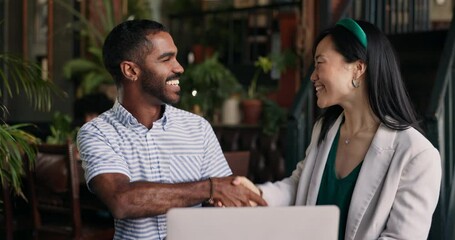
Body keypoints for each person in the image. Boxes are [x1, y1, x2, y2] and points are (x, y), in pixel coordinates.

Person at [235, 18, 441, 240]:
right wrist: (256, 194)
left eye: (319, 63)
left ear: (358, 68)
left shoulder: (417, 155)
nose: (312, 76)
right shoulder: (324, 130)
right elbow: (299, 187)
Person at [76, 19, 266, 240]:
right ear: (130, 70)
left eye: (175, 56)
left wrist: (222, 198)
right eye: (166, 59)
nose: (179, 67)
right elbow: (122, 200)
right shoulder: (97, 133)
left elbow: (226, 198)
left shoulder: (198, 128)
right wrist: (210, 188)